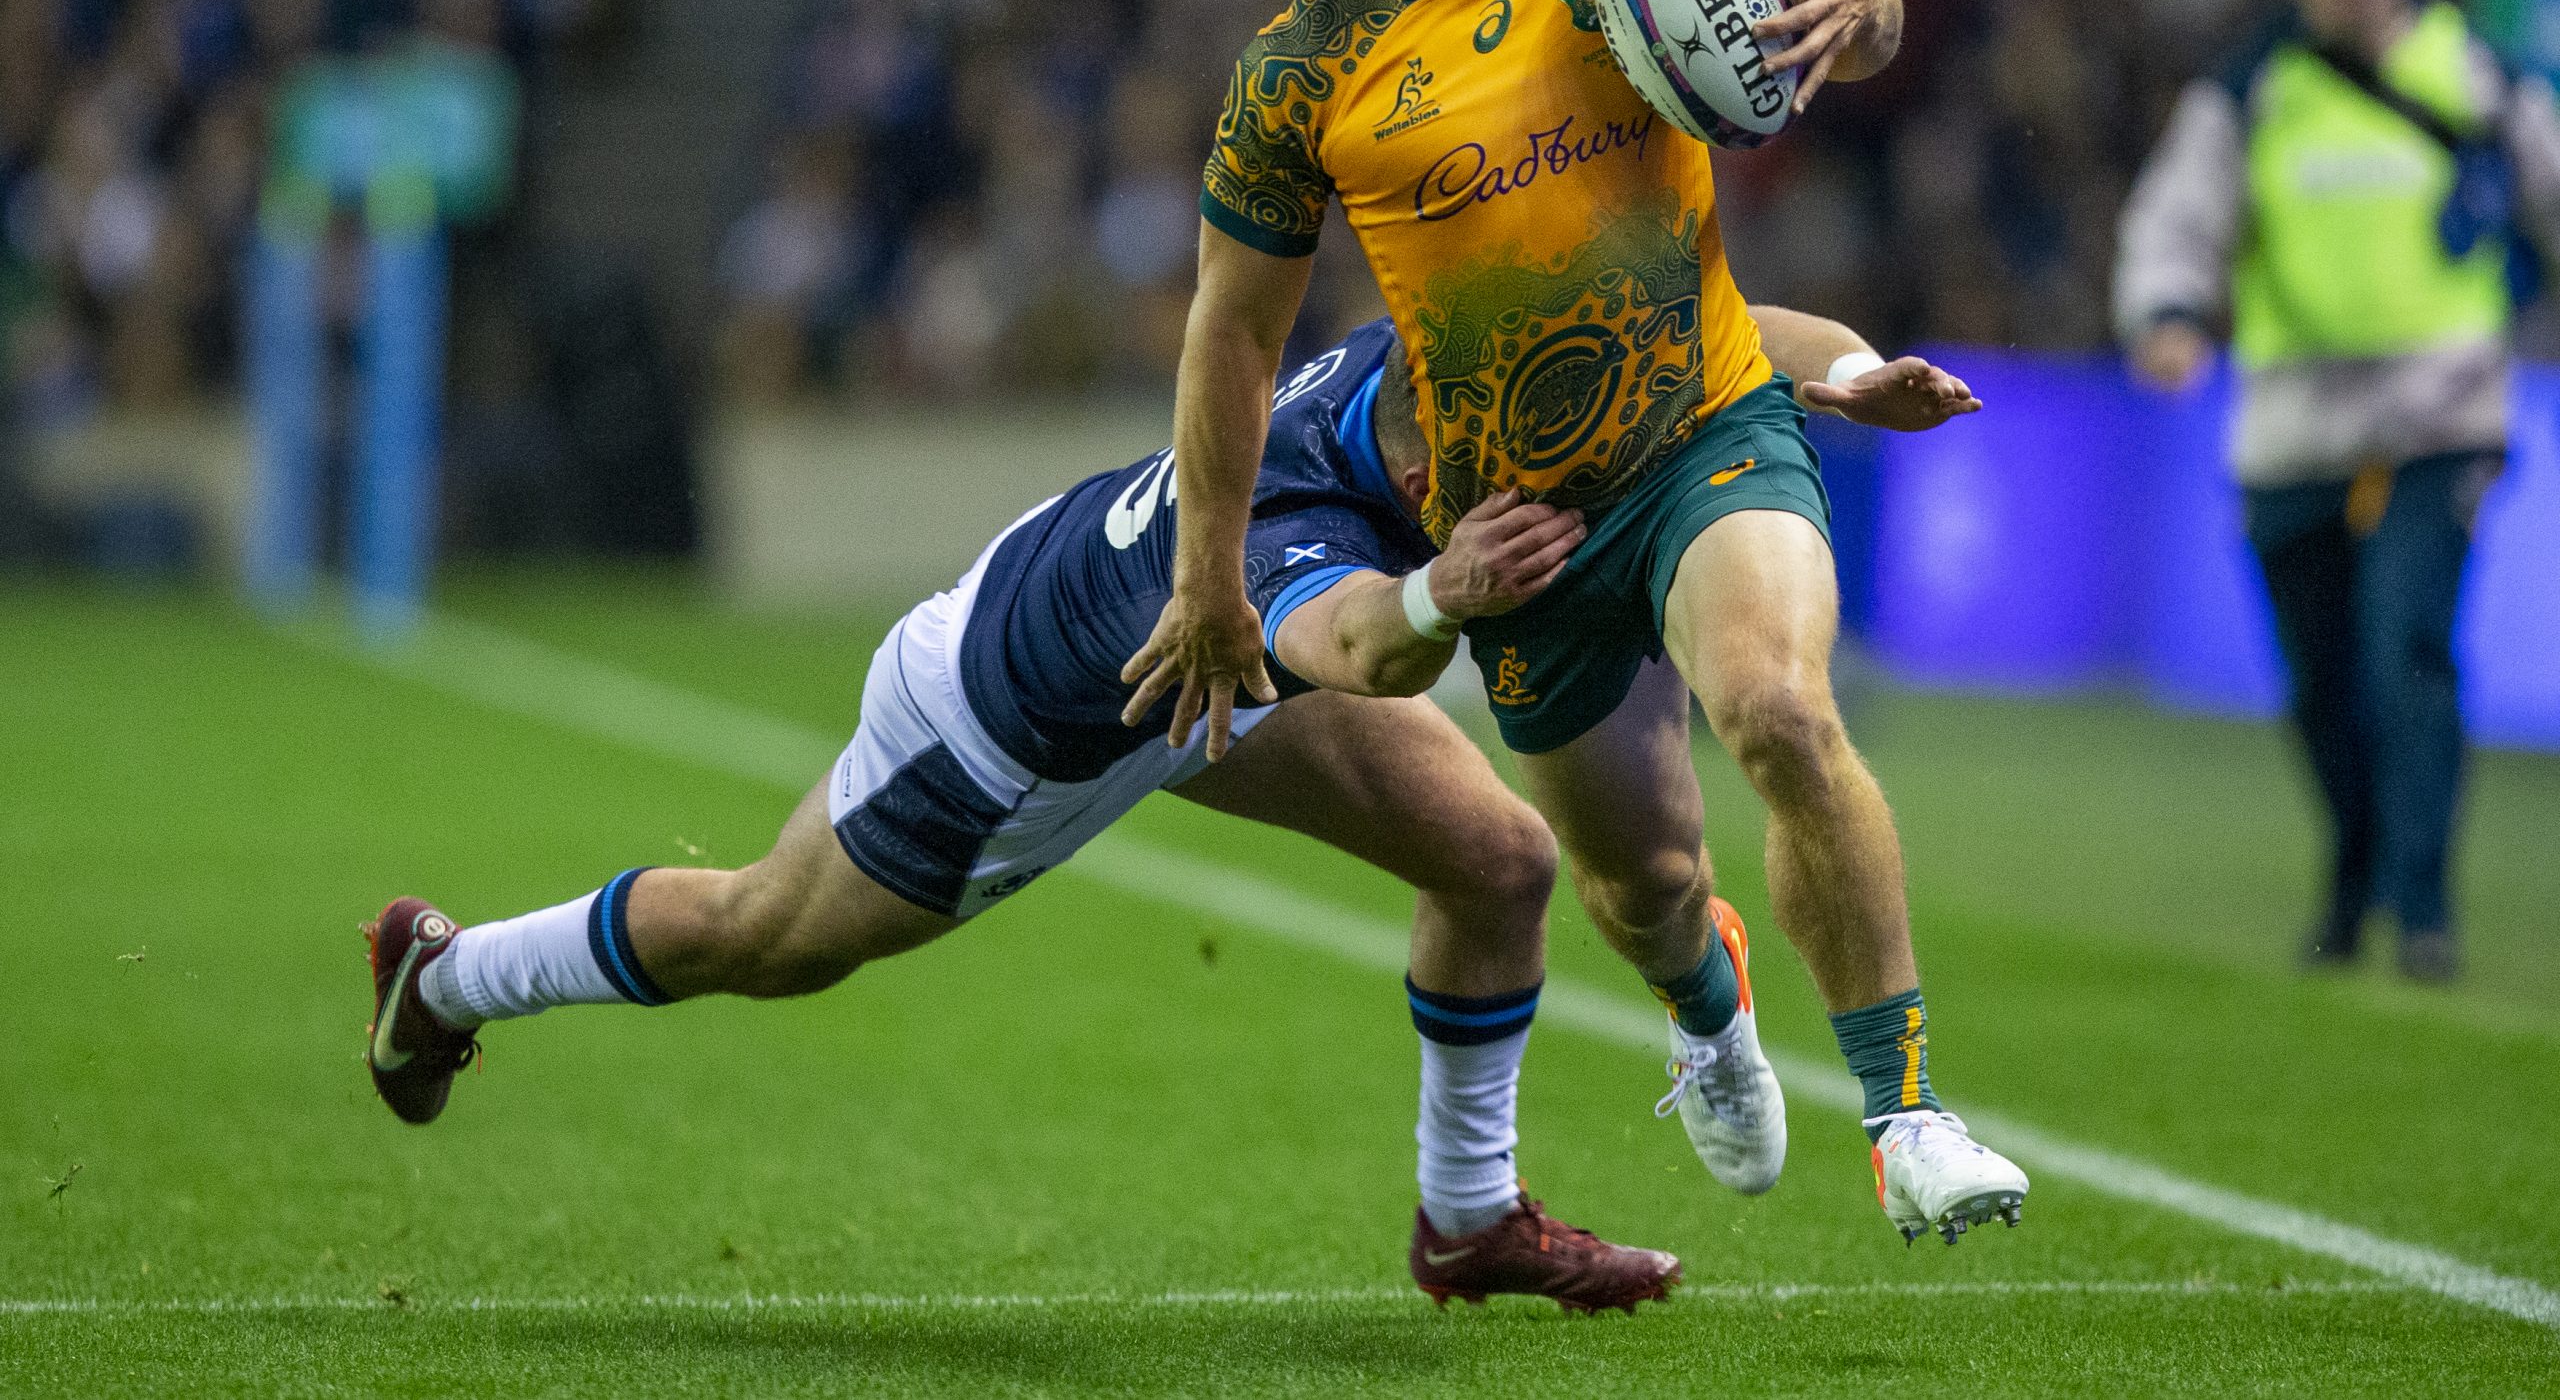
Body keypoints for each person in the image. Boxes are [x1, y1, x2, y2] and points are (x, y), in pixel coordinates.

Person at [366, 298, 1969, 1298]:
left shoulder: (1448, 377)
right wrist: (1449, 595)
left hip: (1206, 669)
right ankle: (446, 974)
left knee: (1496, 861)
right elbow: (1350, 643)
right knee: (766, 934)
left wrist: (1846, 376)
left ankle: (1469, 1225)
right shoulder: (1309, 508)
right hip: (1026, 714)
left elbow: (1725, 324)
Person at [1122, 0, 2026, 1246]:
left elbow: (1855, 28)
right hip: (1515, 533)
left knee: (1780, 709)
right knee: (1648, 883)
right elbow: (1233, 336)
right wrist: (1205, 578)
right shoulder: (1300, 68)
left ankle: (1910, 1118)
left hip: (1703, 428)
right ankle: (1707, 1009)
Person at [2116, 0, 2560, 983]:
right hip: (2293, 418)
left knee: (2406, 647)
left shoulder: (2478, 73)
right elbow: (2180, 210)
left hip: (2441, 406)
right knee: (2320, 677)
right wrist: (2165, 308)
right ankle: (2356, 870)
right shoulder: (2253, 84)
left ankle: (2421, 910)